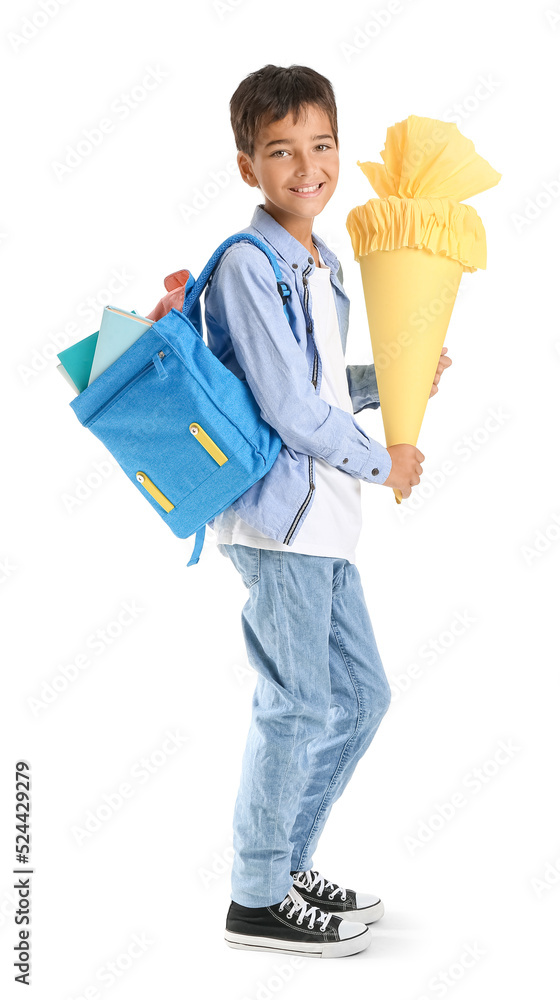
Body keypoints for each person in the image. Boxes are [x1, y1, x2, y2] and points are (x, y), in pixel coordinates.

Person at [203, 64, 452, 959]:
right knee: (297, 706)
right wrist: (383, 460)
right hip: (279, 523)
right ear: (248, 168)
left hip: (325, 524)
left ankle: (286, 867)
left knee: (359, 697)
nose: (305, 166)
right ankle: (256, 898)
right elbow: (284, 407)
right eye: (280, 151)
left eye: (320, 146)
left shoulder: (320, 261)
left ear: (337, 149)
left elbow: (316, 387)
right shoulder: (246, 263)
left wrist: (393, 378)